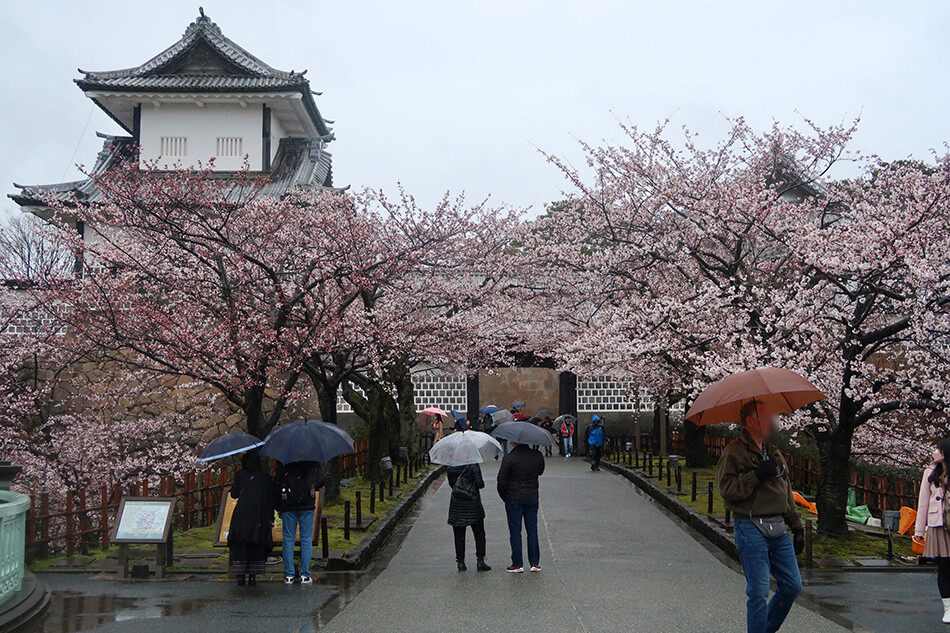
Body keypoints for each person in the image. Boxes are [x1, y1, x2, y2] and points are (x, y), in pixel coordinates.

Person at [716, 400, 803, 633]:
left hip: (779, 526)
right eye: (766, 418)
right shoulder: (734, 452)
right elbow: (727, 490)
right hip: (750, 525)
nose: (771, 423)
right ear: (750, 421)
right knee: (759, 591)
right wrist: (756, 475)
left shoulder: (772, 451)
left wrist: (797, 526)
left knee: (792, 585)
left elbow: (785, 488)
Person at [914, 437, 950, 624]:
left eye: (937, 449)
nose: (934, 452)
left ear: (944, 454)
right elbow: (923, 503)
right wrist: (919, 530)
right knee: (943, 567)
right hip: (938, 524)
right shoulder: (929, 472)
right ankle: (948, 608)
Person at [228, 451, 275, 587]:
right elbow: (270, 498)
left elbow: (234, 494)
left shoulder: (241, 475)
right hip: (260, 515)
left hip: (241, 516)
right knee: (256, 546)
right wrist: (271, 517)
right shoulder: (265, 478)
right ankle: (253, 576)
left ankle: (240, 576)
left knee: (241, 545)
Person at [497, 441, 545, 573]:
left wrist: (503, 495)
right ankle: (534, 562)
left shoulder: (509, 458)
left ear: (514, 442)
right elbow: (540, 471)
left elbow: (501, 479)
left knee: (515, 531)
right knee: (532, 530)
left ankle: (517, 563)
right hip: (531, 495)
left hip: (513, 496)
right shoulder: (537, 455)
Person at [275, 460, 325, 584]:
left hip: (288, 504)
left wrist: (278, 506)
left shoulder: (283, 459)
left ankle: (289, 574)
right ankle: (305, 574)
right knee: (306, 539)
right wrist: (311, 485)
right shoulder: (312, 458)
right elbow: (321, 480)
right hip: (307, 503)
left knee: (288, 539)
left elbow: (276, 482)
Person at [447, 463, 491, 572]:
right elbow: (480, 484)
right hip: (473, 502)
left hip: (457, 503)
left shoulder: (451, 466)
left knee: (459, 535)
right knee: (479, 533)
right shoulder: (473, 464)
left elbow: (452, 484)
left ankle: (461, 562)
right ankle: (480, 561)